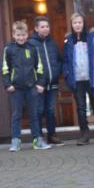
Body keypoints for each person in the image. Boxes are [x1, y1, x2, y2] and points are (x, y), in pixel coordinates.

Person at [62, 13, 94, 145]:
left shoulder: (92, 38)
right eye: (75, 23)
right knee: (81, 108)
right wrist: (67, 73)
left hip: (92, 79)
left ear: (83, 23)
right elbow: (65, 60)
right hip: (77, 80)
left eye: (79, 22)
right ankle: (84, 135)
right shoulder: (68, 41)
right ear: (71, 25)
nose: (77, 25)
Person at [2, 20, 49, 152]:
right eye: (18, 35)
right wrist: (8, 84)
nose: (21, 38)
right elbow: (5, 69)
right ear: (13, 35)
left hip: (31, 87)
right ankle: (15, 141)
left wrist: (40, 83)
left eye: (23, 35)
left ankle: (37, 140)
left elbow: (40, 67)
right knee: (16, 115)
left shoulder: (32, 48)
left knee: (34, 114)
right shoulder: (8, 49)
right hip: (16, 89)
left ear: (27, 35)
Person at [29, 16, 65, 147]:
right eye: (42, 27)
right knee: (38, 110)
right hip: (38, 85)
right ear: (36, 28)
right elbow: (29, 64)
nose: (45, 29)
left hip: (52, 83)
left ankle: (52, 135)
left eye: (47, 26)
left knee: (50, 110)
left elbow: (60, 59)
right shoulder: (31, 44)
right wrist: (36, 81)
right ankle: (39, 137)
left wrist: (57, 72)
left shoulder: (52, 43)